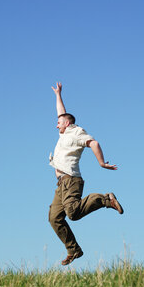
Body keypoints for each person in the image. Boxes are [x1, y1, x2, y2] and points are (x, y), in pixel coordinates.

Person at [49, 82, 124, 266]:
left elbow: (94, 143)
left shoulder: (76, 133)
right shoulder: (65, 133)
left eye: (59, 123)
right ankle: (74, 250)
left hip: (71, 180)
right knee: (54, 218)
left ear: (67, 123)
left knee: (73, 213)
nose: (56, 125)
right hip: (61, 184)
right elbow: (61, 113)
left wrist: (101, 163)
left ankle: (106, 199)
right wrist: (58, 94)